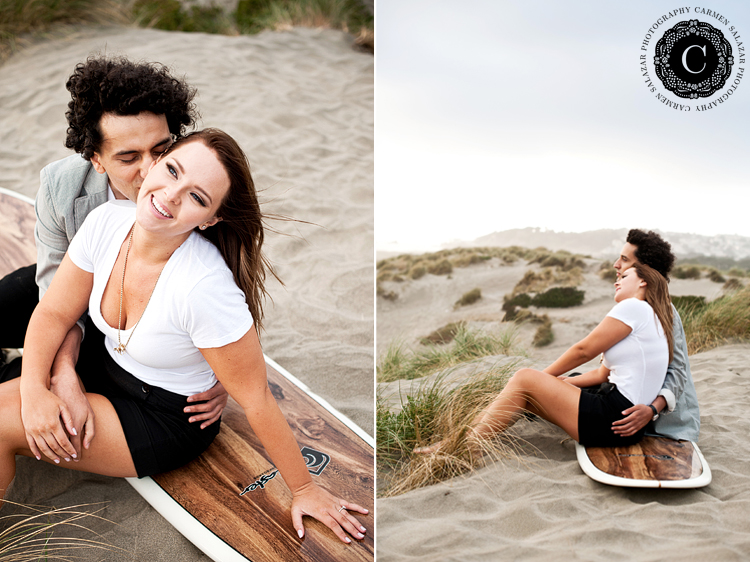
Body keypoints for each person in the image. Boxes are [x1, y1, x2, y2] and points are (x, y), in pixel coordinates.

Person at [1, 129, 368, 543]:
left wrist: (304, 489)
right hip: (108, 365)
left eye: (197, 197)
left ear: (210, 219)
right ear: (156, 163)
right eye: (172, 170)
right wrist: (35, 391)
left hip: (165, 415)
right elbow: (52, 312)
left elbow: (258, 400)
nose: (171, 195)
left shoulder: (204, 287)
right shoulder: (106, 222)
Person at [0, 56, 227, 457]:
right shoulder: (61, 186)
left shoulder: (199, 186)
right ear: (96, 159)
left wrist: (226, 378)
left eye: (162, 148)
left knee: (15, 387)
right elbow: (55, 300)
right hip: (74, 292)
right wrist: (61, 370)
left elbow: (237, 282)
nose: (152, 169)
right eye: (128, 157)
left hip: (129, 322)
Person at [416, 262, 673, 452]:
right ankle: (461, 438)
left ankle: (458, 446)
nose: (616, 281)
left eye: (624, 276)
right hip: (623, 420)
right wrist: (556, 384)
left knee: (525, 378)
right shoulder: (654, 317)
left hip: (615, 418)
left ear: (643, 282)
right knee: (526, 393)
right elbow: (600, 374)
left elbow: (583, 351)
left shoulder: (634, 307)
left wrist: (542, 377)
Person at [609, 229, 700, 442]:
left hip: (668, 426)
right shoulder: (631, 303)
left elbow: (678, 370)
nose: (616, 264)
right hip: (629, 406)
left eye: (624, 259)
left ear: (644, 270)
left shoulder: (664, 309)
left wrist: (652, 409)